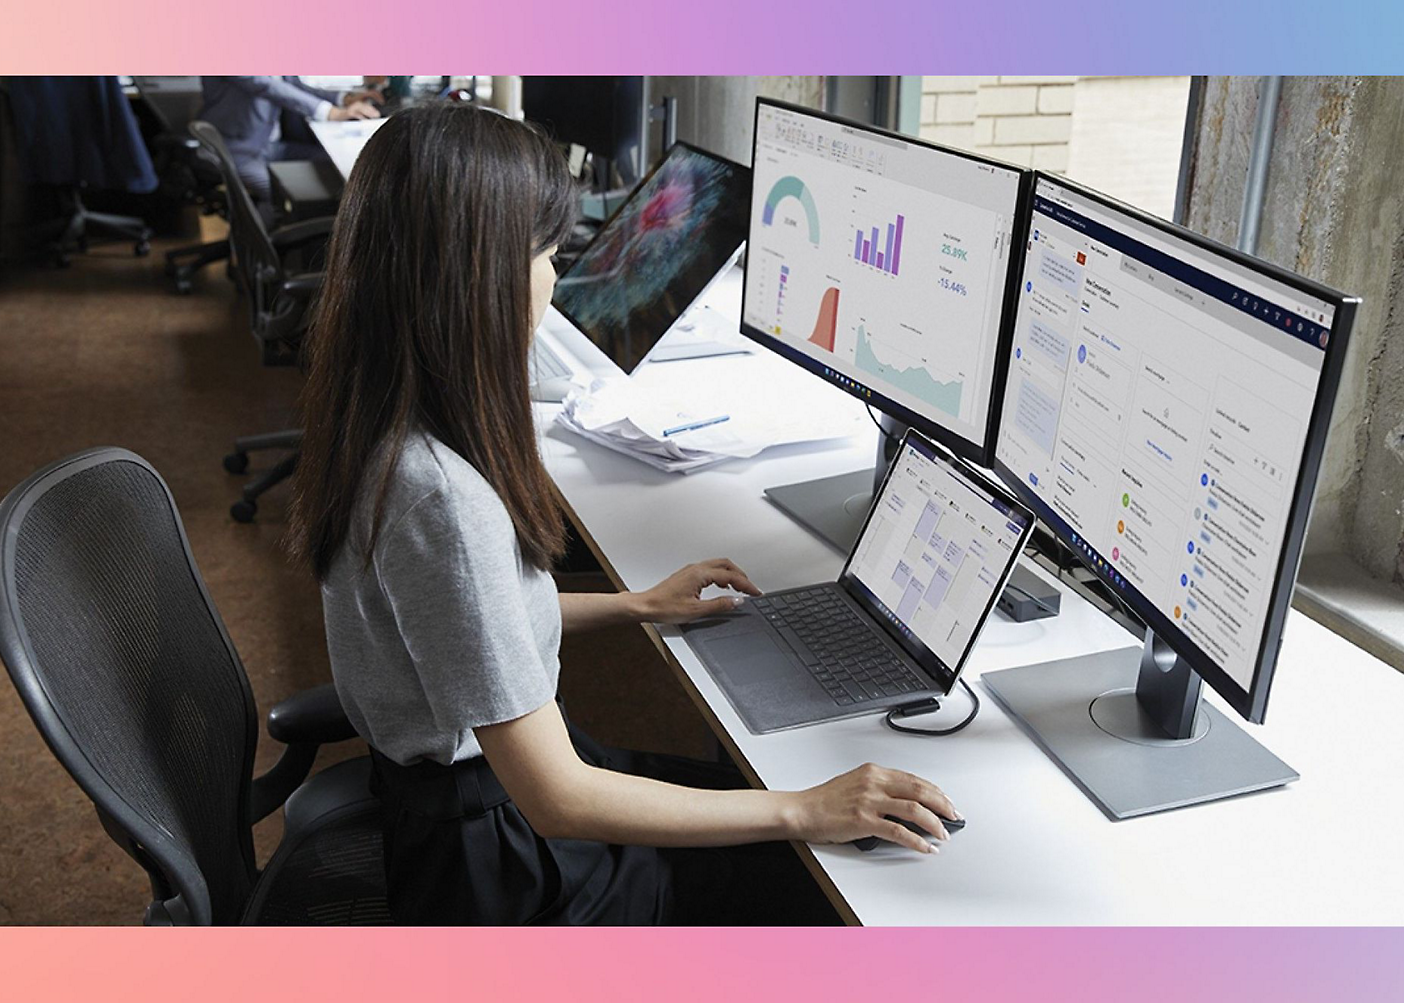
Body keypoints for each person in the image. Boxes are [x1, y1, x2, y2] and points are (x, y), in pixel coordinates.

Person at [287, 104, 961, 926]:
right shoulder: (442, 497)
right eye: (544, 254)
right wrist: (800, 808)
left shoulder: (380, 415)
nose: (552, 277)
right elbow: (560, 799)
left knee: (755, 809)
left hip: (473, 802)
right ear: (477, 275)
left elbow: (465, 622)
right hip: (503, 862)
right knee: (815, 877)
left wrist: (637, 604)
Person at [196, 76, 380, 202]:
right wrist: (330, 112)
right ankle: (263, 251)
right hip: (236, 150)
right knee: (281, 194)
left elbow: (292, 84)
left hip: (269, 146)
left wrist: (345, 98)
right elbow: (265, 85)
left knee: (336, 168)